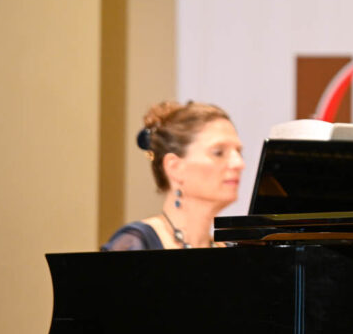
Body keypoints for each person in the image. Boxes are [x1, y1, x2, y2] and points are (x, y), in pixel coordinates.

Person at [101, 100, 245, 250]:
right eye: (218, 153)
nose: (239, 163)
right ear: (174, 167)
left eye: (239, 152)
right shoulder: (136, 243)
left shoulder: (233, 252)